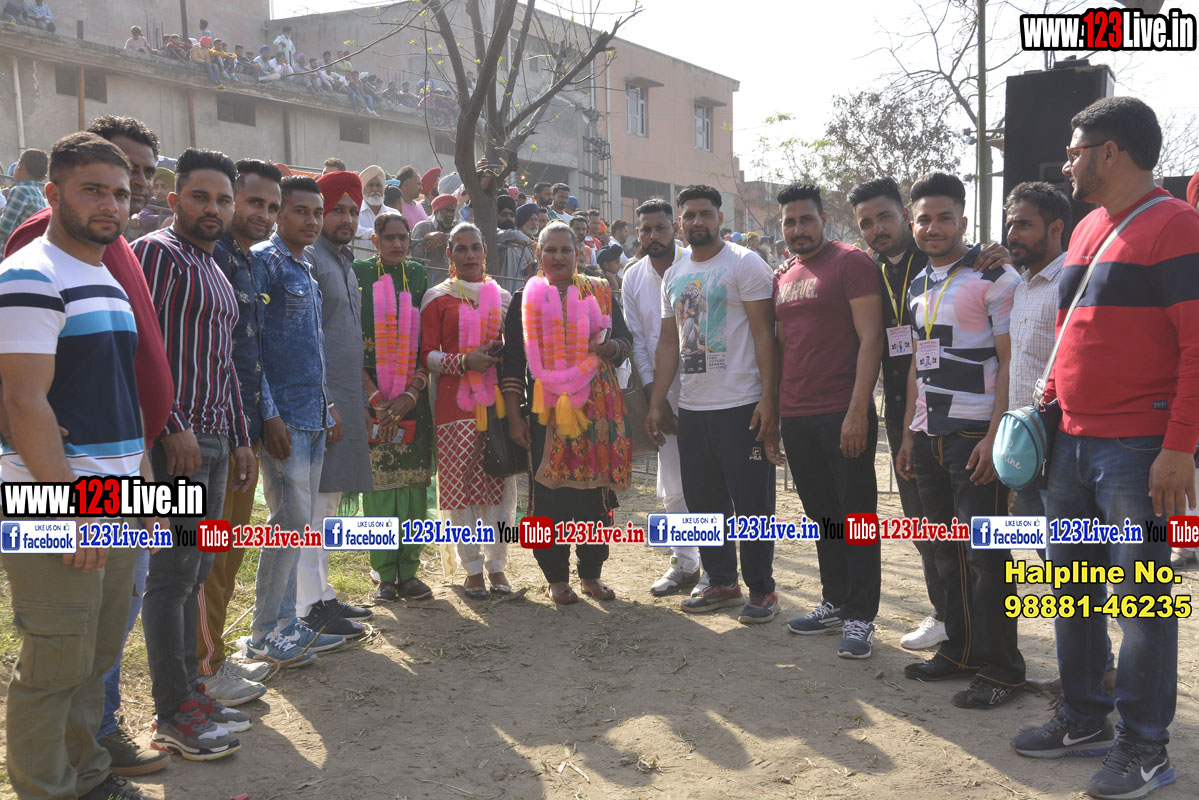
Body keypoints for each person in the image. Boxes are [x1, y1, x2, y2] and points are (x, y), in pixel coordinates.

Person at [1009, 96, 1199, 800]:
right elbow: (1071, 334)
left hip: (1140, 450)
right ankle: (1084, 715)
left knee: (1142, 600)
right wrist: (1051, 412)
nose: (1066, 164)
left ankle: (1145, 749)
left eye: (1075, 151)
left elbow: (1197, 346)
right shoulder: (1088, 227)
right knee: (1072, 590)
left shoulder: (1177, 226)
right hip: (1071, 443)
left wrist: (1178, 448)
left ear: (1110, 152)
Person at [3, 116, 174, 778]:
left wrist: (148, 493)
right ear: (52, 195)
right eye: (92, 190)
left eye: (121, 193)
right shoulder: (29, 275)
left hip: (117, 499)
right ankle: (45, 789)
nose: (110, 205)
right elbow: (23, 402)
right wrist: (71, 513)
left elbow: (121, 401)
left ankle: (89, 777)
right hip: (56, 502)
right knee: (55, 662)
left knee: (96, 656)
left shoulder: (106, 278)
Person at [133, 147, 257, 760]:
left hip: (213, 441)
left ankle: (192, 691)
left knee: (197, 571)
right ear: (174, 197)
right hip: (175, 443)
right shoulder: (157, 253)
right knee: (173, 575)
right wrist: (172, 425)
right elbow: (144, 345)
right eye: (200, 196)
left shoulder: (213, 266)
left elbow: (223, 363)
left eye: (223, 200)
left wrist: (240, 437)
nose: (213, 208)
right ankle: (173, 711)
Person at [895, 172, 1024, 708]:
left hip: (975, 434)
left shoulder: (995, 276)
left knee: (986, 557)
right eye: (924, 219)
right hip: (930, 435)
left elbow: (1010, 361)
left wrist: (994, 436)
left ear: (963, 221)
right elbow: (916, 365)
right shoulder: (919, 282)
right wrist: (909, 432)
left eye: (944, 217)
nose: (934, 227)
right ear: (913, 223)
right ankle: (962, 651)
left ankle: (1005, 669)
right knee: (945, 551)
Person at [646, 185, 780, 624]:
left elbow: (765, 334)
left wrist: (769, 400)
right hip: (694, 409)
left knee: (752, 505)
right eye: (690, 215)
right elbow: (669, 344)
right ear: (680, 223)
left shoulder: (746, 263)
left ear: (720, 218)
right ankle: (721, 581)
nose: (697, 221)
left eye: (705, 213)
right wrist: (657, 402)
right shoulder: (674, 274)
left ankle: (762, 590)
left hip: (742, 405)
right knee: (704, 503)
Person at [773, 184, 883, 659]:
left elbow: (872, 338)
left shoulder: (850, 263)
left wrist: (858, 410)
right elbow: (785, 346)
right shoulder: (785, 274)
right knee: (824, 517)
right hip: (797, 413)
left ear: (824, 220)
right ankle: (835, 601)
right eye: (790, 222)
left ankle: (861, 616)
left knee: (856, 517)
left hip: (842, 411)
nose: (798, 229)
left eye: (806, 219)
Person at [502, 221, 632, 603]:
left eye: (566, 250)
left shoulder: (600, 291)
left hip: (596, 411)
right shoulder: (525, 297)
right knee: (548, 497)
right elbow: (512, 362)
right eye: (550, 250)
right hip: (546, 412)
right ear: (538, 254)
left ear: (579, 254)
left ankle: (591, 573)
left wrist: (610, 349)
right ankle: (555, 577)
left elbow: (625, 340)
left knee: (595, 497)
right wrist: (514, 417)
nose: (558, 257)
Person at [245, 175, 345, 666]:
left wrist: (328, 406)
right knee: (286, 523)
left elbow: (312, 348)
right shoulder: (264, 262)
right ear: (278, 213)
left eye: (317, 212)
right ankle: (265, 632)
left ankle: (287, 625)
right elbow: (254, 347)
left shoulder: (304, 266)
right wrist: (269, 414)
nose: (312, 220)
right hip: (282, 419)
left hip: (312, 415)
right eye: (301, 211)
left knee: (297, 524)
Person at [194, 160, 283, 708]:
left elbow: (248, 358)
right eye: (253, 203)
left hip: (241, 432)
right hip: (213, 433)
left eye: (271, 207)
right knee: (206, 559)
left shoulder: (247, 263)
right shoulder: (211, 260)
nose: (263, 215)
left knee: (226, 555)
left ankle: (214, 658)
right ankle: (203, 669)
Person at [848, 177, 939, 651]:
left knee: (956, 527)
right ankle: (945, 612)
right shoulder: (868, 270)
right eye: (866, 223)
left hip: (947, 410)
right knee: (922, 523)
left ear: (904, 215)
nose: (877, 229)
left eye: (884, 217)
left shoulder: (939, 258)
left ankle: (970, 621)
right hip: (900, 411)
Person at [421, 223, 517, 598]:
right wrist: (464, 362)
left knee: (499, 484)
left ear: (485, 252)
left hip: (496, 404)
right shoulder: (437, 297)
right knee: (459, 487)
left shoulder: (503, 298)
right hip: (453, 405)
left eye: (475, 247)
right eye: (461, 248)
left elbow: (516, 349)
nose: (470, 255)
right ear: (449, 254)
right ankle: (472, 568)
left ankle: (497, 566)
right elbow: (427, 355)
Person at [299, 171, 375, 634]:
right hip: (320, 401)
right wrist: (326, 403)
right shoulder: (310, 257)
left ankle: (323, 593)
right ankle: (307, 606)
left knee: (328, 504)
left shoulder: (342, 260)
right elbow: (308, 338)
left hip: (344, 397)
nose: (345, 218)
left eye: (352, 210)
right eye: (336, 210)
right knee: (313, 507)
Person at [621, 199, 706, 597]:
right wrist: (656, 398)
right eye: (646, 229)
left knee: (709, 479)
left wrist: (686, 392)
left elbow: (698, 338)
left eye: (660, 227)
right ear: (638, 234)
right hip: (660, 391)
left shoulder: (695, 266)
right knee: (673, 480)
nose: (653, 235)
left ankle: (717, 569)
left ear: (675, 229)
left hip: (705, 388)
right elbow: (638, 342)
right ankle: (685, 562)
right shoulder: (633, 277)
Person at [352, 212, 436, 600]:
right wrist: (373, 395)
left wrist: (412, 393)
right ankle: (384, 574)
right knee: (378, 489)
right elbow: (347, 337)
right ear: (375, 240)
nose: (398, 244)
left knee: (414, 488)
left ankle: (410, 572)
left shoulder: (417, 276)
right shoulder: (358, 273)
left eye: (403, 237)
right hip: (369, 398)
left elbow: (428, 341)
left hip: (411, 400)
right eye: (389, 238)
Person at [1003, 181, 1071, 520]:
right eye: (1010, 225)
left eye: (1024, 225)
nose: (1012, 235)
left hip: (1061, 448)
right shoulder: (1021, 285)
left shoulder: (1072, 282)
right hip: (1024, 444)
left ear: (1056, 228)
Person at [0, 148, 49, 256]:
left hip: (8, 255)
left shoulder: (20, 191)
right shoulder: (38, 195)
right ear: (43, 178)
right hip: (26, 253)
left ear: (20, 166)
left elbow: (3, 228)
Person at [411, 193, 457, 272]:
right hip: (428, 277)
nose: (450, 214)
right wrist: (425, 240)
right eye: (446, 210)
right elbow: (413, 257)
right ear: (437, 211)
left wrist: (445, 238)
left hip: (453, 278)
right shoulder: (422, 227)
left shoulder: (457, 229)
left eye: (452, 211)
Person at [494, 193, 534, 281]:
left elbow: (520, 273)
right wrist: (533, 244)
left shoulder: (521, 241)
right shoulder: (494, 234)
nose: (509, 218)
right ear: (495, 215)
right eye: (504, 214)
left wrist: (526, 271)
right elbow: (511, 234)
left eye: (512, 215)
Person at [357, 164, 386, 239]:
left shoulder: (393, 213)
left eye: (378, 185)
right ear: (363, 189)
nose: (375, 189)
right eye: (370, 185)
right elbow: (355, 229)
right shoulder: (355, 212)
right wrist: (376, 234)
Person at [397, 165, 429, 230]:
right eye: (418, 184)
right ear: (406, 184)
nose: (421, 188)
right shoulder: (396, 208)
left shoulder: (419, 206)